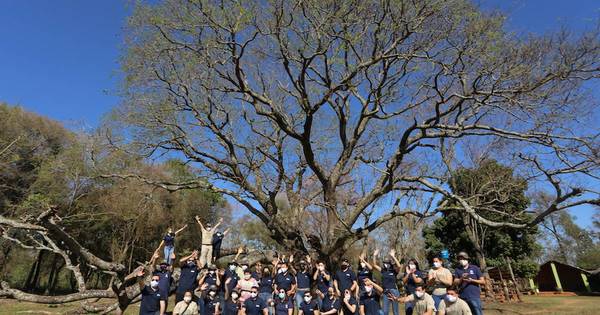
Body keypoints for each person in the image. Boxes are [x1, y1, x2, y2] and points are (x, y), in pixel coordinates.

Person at [372, 249, 401, 315]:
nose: (385, 264)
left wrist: (393, 256)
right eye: (384, 263)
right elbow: (374, 265)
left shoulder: (394, 271)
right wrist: (374, 255)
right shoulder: (383, 270)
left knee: (395, 312)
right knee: (384, 312)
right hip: (385, 292)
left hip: (394, 291)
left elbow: (399, 266)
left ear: (390, 263)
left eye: (387, 263)